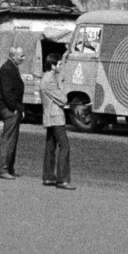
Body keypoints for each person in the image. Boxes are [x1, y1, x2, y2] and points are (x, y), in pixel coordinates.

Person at [40, 53, 74, 190]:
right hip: (55, 117)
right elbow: (63, 99)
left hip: (50, 117)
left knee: (51, 147)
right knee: (64, 146)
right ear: (52, 66)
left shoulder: (48, 78)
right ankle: (62, 179)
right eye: (59, 64)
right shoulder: (50, 79)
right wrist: (60, 82)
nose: (61, 66)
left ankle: (48, 177)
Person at [0, 44, 26, 180]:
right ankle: (3, 169)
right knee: (8, 139)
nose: (23, 58)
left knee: (12, 139)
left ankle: (9, 167)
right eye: (21, 56)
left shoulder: (12, 67)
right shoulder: (7, 69)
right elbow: (8, 93)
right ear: (13, 56)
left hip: (12, 107)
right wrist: (15, 108)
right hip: (9, 108)